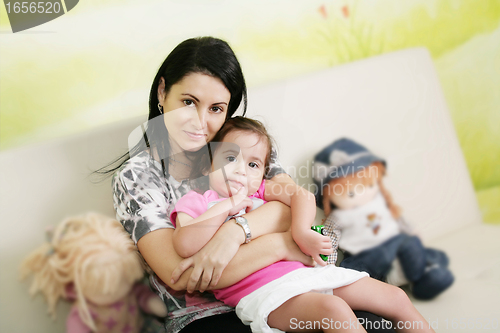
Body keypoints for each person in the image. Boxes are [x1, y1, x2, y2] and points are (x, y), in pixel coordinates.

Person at [106, 36, 396, 333]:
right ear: (163, 91)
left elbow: (289, 205)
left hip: (284, 283)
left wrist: (233, 233)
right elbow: (181, 277)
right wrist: (279, 244)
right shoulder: (137, 176)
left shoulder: (242, 145)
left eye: (216, 108)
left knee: (379, 312)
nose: (200, 122)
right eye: (189, 102)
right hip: (207, 315)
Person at [171, 117, 435, 333]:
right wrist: (227, 206)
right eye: (231, 158)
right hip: (263, 294)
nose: (242, 170)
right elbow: (185, 244)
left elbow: (302, 196)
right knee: (334, 311)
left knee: (396, 298)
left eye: (253, 164)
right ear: (207, 166)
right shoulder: (197, 202)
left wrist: (300, 230)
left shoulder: (261, 191)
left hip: (307, 274)